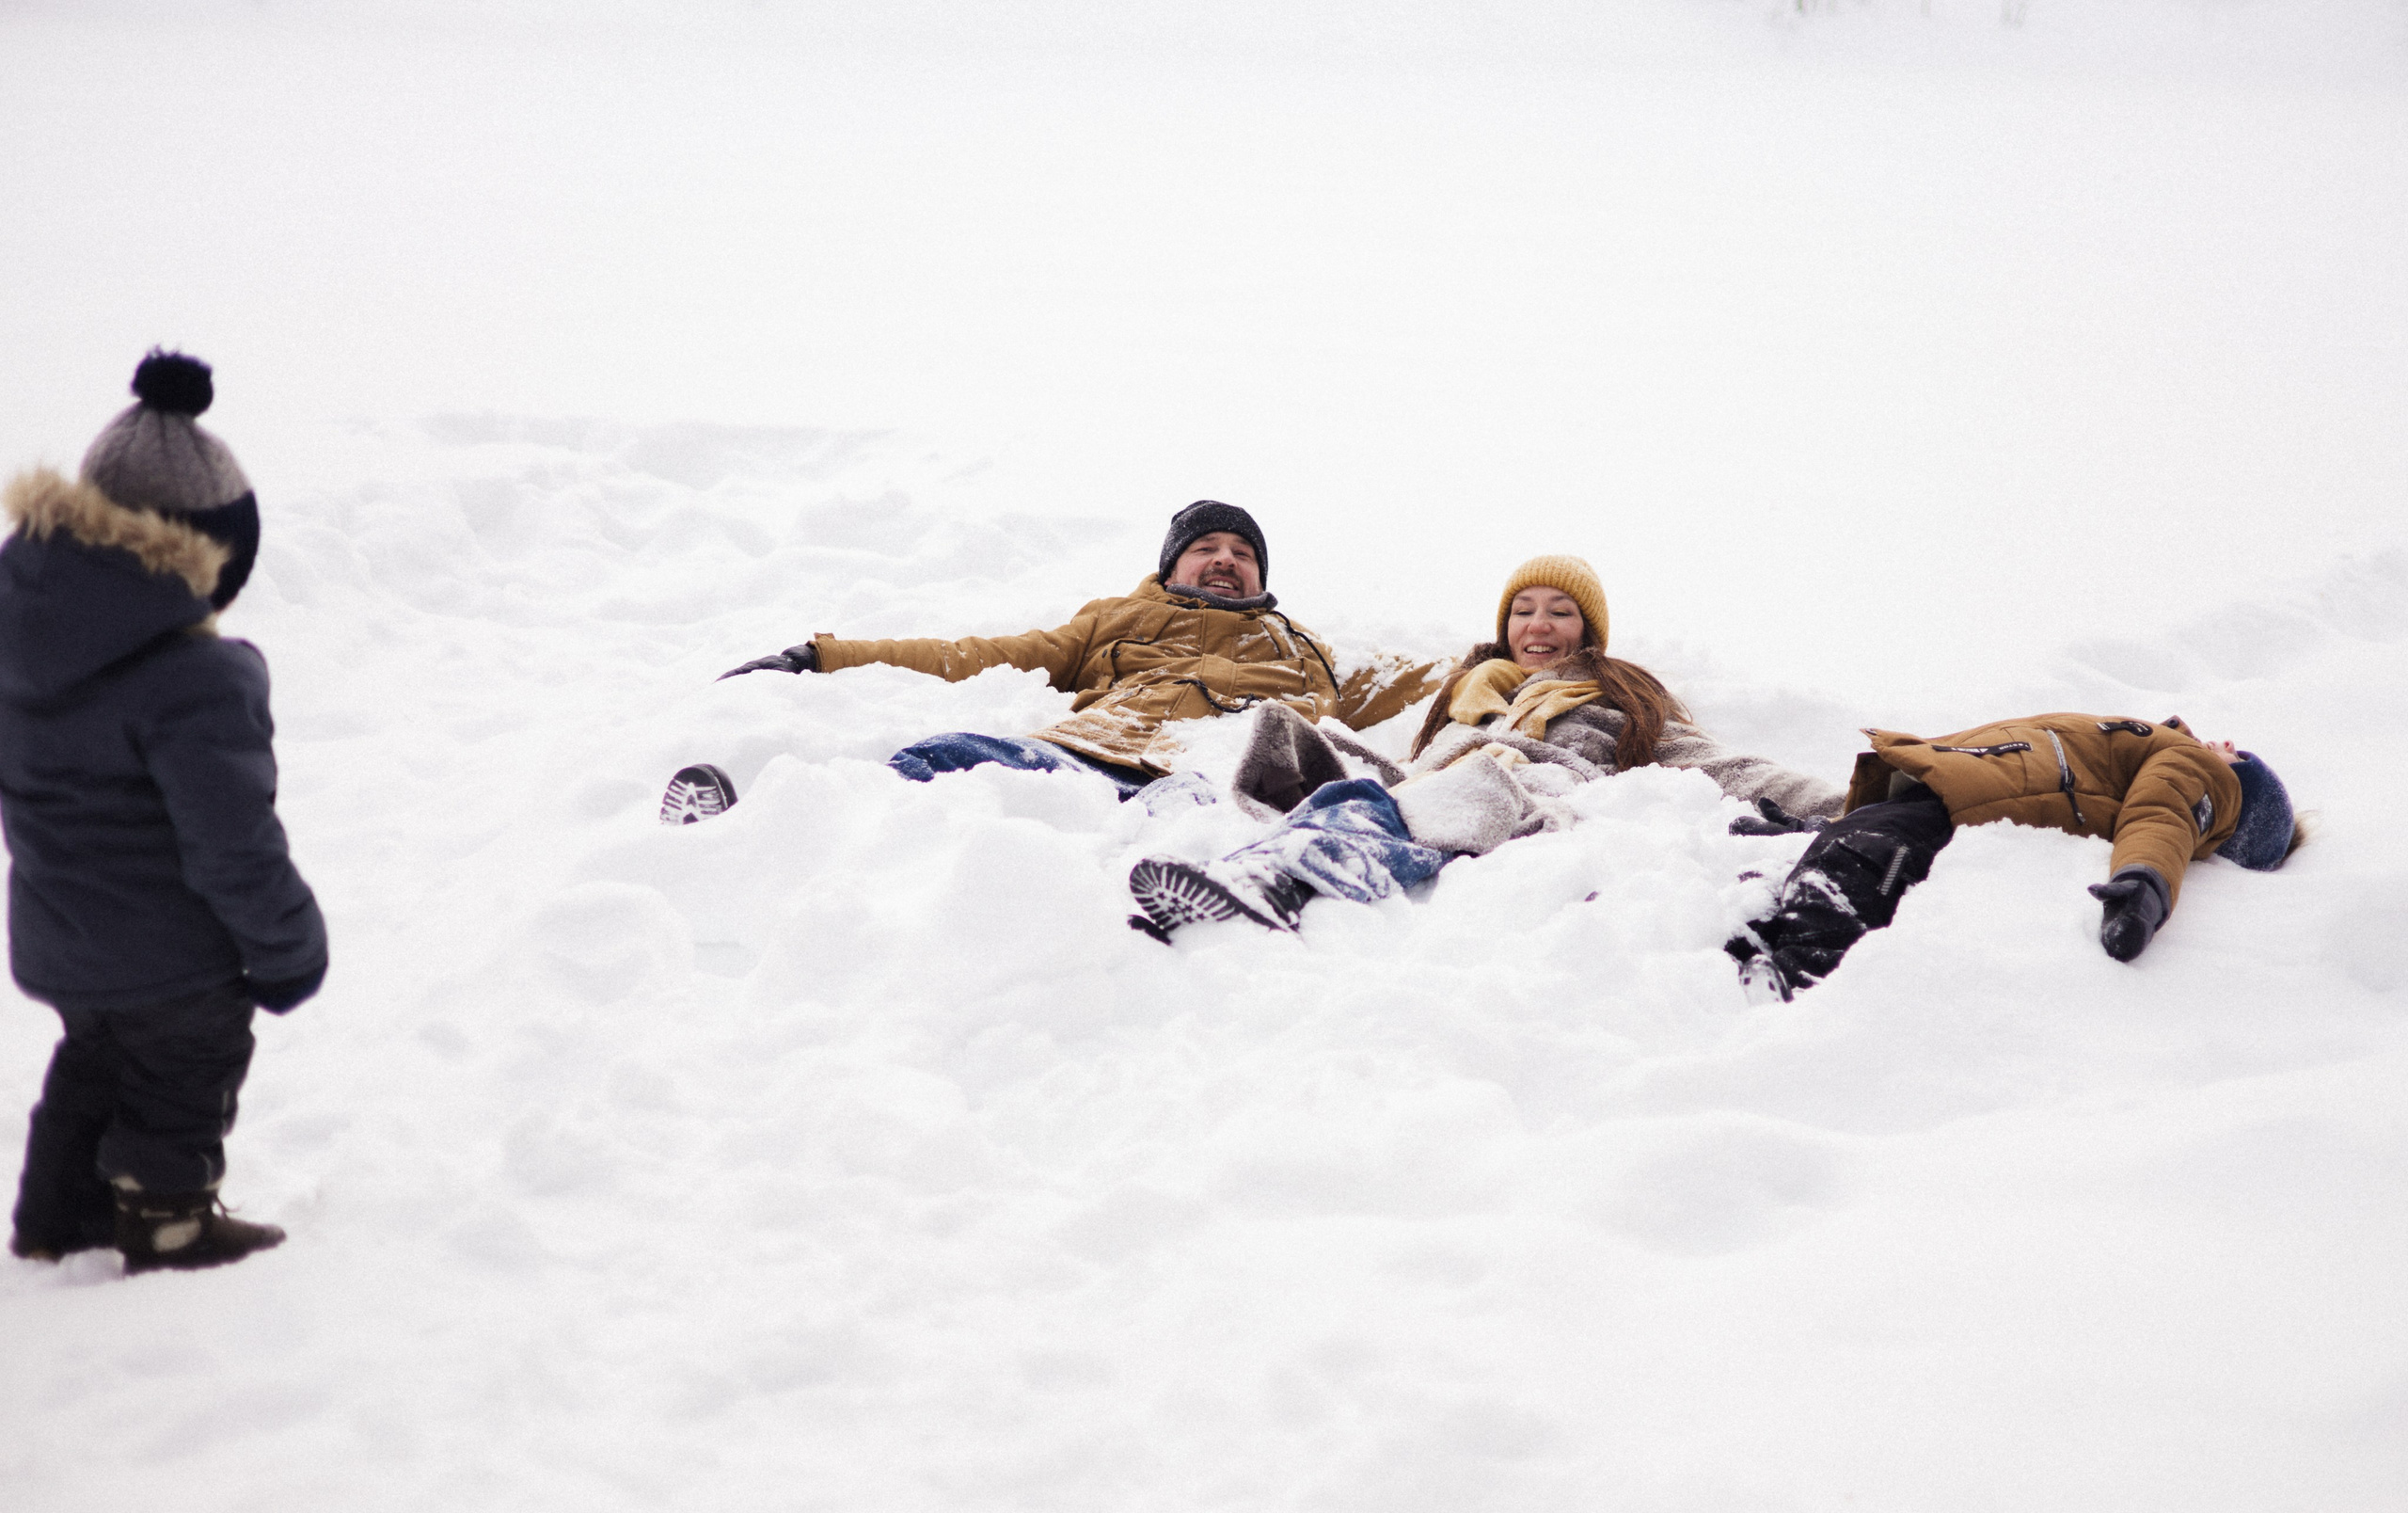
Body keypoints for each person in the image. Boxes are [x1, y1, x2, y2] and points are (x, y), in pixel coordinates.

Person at [1, 351, 326, 1273]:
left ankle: (59, 1213)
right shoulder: (196, 681)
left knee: (96, 1059)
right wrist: (288, 943)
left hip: (62, 937)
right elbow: (233, 846)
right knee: (185, 1071)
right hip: (173, 959)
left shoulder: (28, 632)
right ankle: (167, 1216)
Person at [1126, 554, 1842, 936]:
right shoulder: (1471, 696)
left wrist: (1854, 798)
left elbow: (1725, 767)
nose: (1539, 624)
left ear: (1587, 632)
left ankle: (1272, 880)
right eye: (1523, 611)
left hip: (1531, 795)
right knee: (1296, 748)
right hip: (1435, 789)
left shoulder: (1616, 695)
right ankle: (1217, 879)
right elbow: (1416, 765)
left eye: (1560, 612)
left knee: (1422, 796)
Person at [660, 500, 1444, 820]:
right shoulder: (1116, 619)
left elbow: (1446, 677)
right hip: (1093, 757)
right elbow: (975, 656)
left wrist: (1552, 647)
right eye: (1205, 548)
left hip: (1216, 779)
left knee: (1184, 825)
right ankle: (761, 829)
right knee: (952, 759)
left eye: (1242, 553)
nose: (1223, 561)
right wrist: (820, 657)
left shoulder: (1308, 650)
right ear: (1172, 566)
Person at [1725, 714, 2301, 1001]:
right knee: (1845, 852)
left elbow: (2162, 818)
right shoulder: (2143, 744)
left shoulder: (2199, 776)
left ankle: (1799, 975)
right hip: (1942, 796)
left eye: (2240, 757)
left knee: (1858, 869)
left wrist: (2145, 883)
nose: (2226, 745)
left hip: (1957, 812)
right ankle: (1755, 934)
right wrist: (1820, 827)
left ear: (2237, 804)